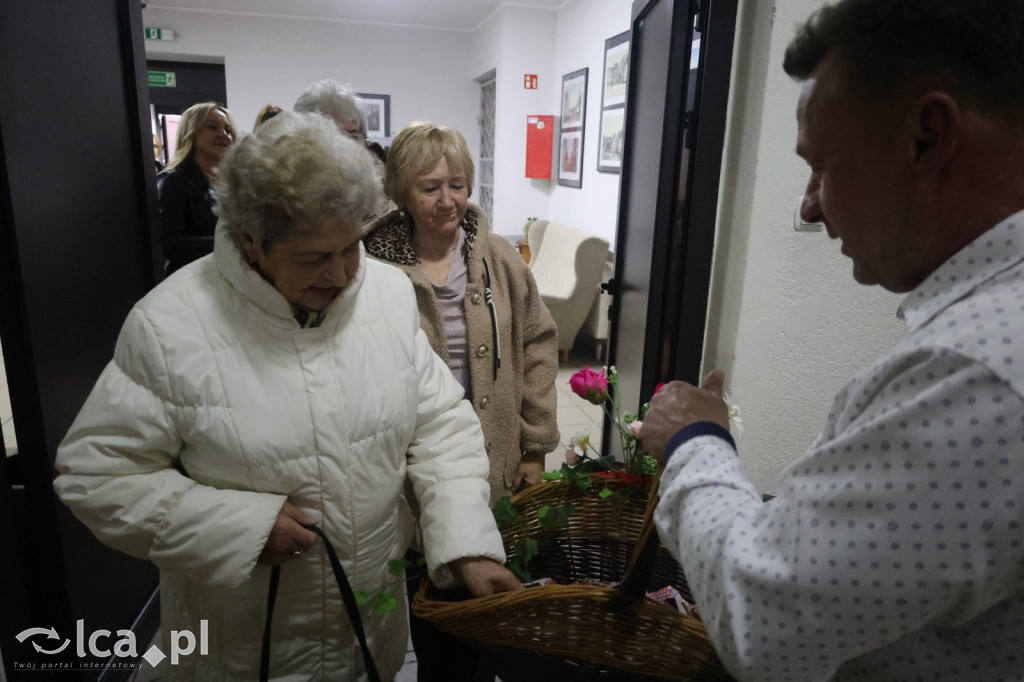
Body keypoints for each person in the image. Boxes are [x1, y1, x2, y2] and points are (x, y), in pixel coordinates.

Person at [53, 111, 521, 680]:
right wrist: (237, 527)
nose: (345, 273)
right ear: (250, 240)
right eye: (311, 257)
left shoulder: (387, 295)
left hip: (367, 632)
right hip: (240, 649)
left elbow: (442, 427)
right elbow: (95, 475)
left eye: (350, 247)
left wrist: (467, 543)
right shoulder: (170, 326)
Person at [639, 1, 1024, 680]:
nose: (811, 205)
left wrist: (694, 442)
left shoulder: (979, 372)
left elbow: (764, 623)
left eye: (822, 165)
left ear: (927, 138)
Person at [364, 121, 559, 682]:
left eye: (457, 184)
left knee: (482, 602)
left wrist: (536, 443)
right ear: (402, 191)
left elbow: (539, 343)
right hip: (412, 466)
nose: (447, 200)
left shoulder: (498, 258)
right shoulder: (372, 265)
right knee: (428, 600)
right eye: (429, 187)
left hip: (494, 457)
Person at [157, 102, 236, 275]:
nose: (223, 134)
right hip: (192, 279)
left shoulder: (234, 182)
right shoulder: (175, 180)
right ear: (191, 131)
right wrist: (230, 243)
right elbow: (170, 244)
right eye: (213, 127)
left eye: (228, 130)